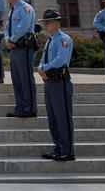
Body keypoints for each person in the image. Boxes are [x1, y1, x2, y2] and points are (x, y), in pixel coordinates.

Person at [36, 9, 75, 162]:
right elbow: (42, 60)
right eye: (44, 23)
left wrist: (44, 68)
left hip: (60, 81)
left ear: (57, 23)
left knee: (63, 117)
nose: (45, 25)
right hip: (49, 82)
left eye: (48, 22)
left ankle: (67, 150)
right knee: (53, 118)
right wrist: (41, 68)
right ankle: (58, 146)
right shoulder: (50, 41)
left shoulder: (64, 40)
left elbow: (60, 60)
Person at [3, 0, 37, 117]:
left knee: (25, 79)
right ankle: (20, 107)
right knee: (16, 79)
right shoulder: (12, 10)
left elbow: (23, 27)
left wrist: (12, 39)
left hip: (24, 47)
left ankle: (29, 108)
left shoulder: (25, 8)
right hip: (14, 48)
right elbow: (6, 27)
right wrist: (7, 39)